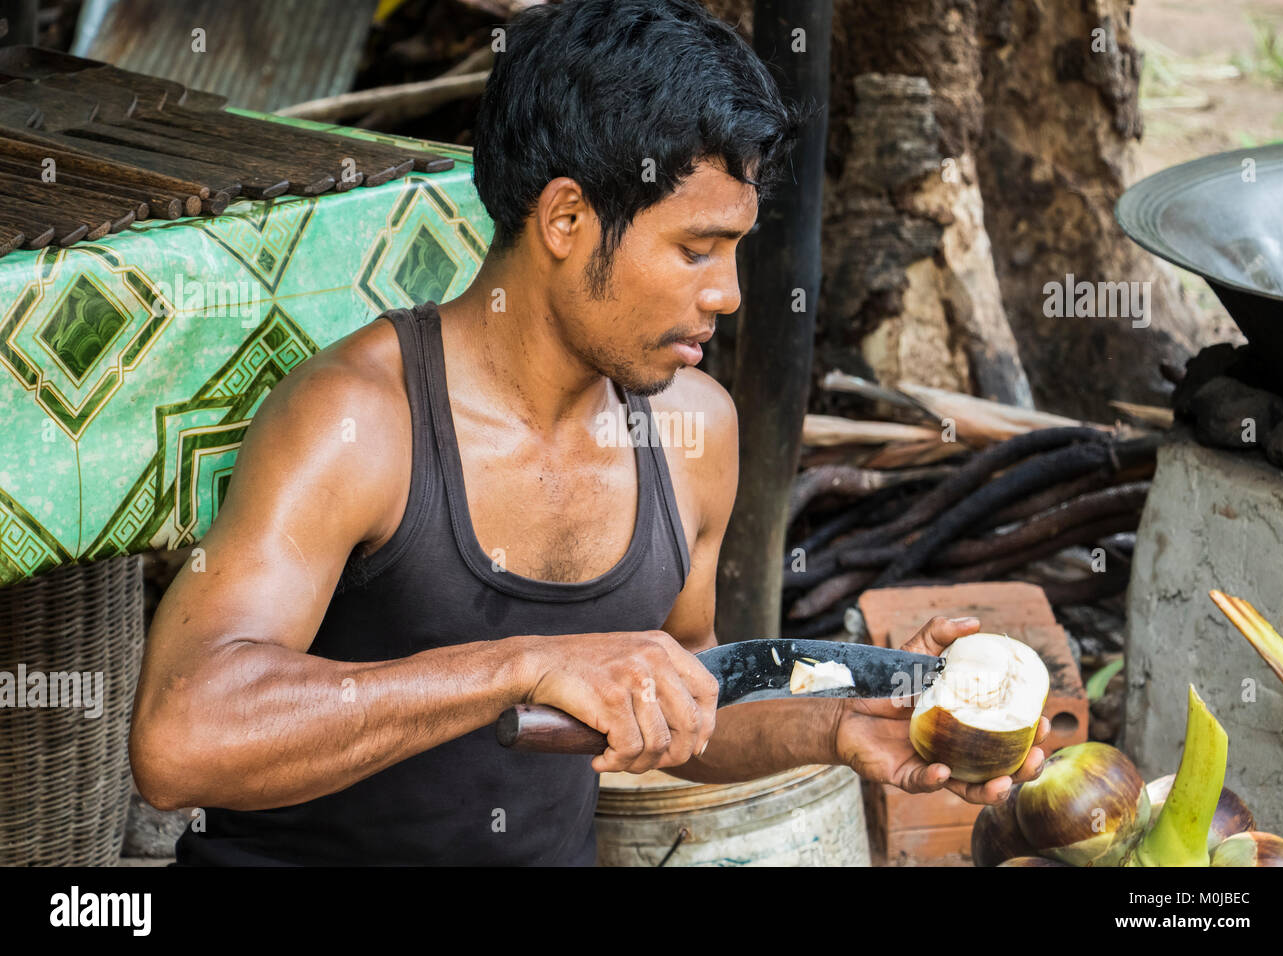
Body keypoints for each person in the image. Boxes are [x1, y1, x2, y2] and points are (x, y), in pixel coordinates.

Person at [130, 0, 1047, 866]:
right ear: (566, 219)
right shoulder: (357, 420)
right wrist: (524, 665)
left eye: (736, 250)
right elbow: (183, 739)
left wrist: (842, 724)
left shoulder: (694, 429)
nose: (727, 293)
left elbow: (682, 691)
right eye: (695, 249)